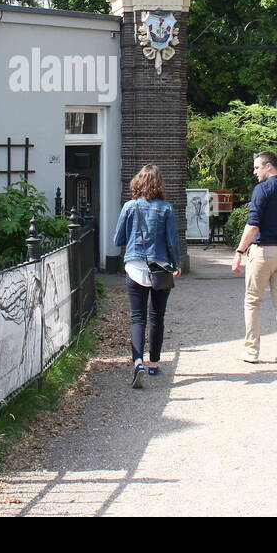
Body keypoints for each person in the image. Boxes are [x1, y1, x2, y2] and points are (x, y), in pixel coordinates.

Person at [113, 164, 181, 389]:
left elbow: (118, 239)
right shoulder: (166, 209)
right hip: (160, 266)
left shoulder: (129, 207)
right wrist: (176, 264)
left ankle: (137, 362)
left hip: (134, 265)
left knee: (137, 317)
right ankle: (154, 363)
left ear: (138, 182)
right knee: (157, 316)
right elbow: (172, 241)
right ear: (159, 184)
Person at [231, 151, 277, 364]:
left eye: (257, 167)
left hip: (263, 251)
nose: (254, 172)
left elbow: (253, 224)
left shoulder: (262, 189)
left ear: (268, 166)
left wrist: (239, 252)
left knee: (252, 301)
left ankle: (252, 352)